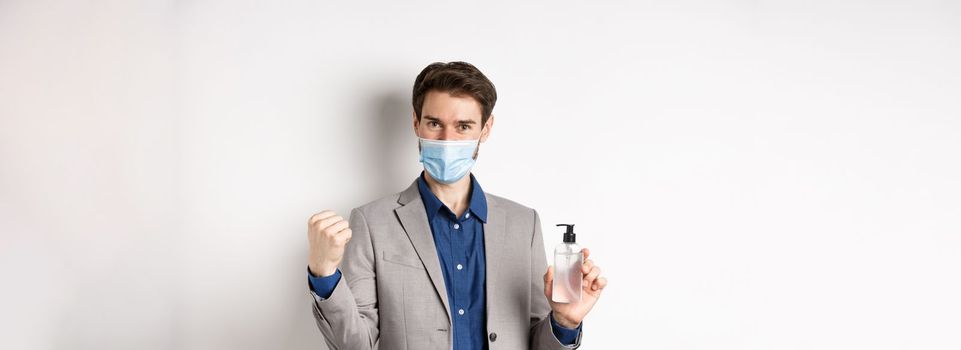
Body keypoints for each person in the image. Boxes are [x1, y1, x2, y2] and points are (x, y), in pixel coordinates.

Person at [306, 61, 607, 349]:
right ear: (416, 123)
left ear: (485, 129)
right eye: (435, 123)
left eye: (463, 126)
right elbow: (355, 346)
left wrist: (564, 321)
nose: (447, 139)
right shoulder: (372, 222)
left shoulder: (523, 224)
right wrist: (324, 273)